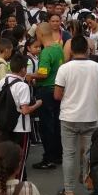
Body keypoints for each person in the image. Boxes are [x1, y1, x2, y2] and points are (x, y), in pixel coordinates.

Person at [54, 35, 98, 195]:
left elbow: (57, 95)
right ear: (87, 49)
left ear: (71, 50)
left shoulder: (64, 68)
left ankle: (69, 190)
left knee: (68, 153)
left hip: (69, 116)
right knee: (90, 153)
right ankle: (89, 183)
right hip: (90, 116)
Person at [32, 22, 64, 170]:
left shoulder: (46, 52)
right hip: (57, 90)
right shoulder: (58, 47)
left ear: (40, 34)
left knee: (46, 126)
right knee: (56, 124)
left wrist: (29, 75)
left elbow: (43, 73)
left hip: (46, 91)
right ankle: (58, 155)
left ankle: (48, 158)